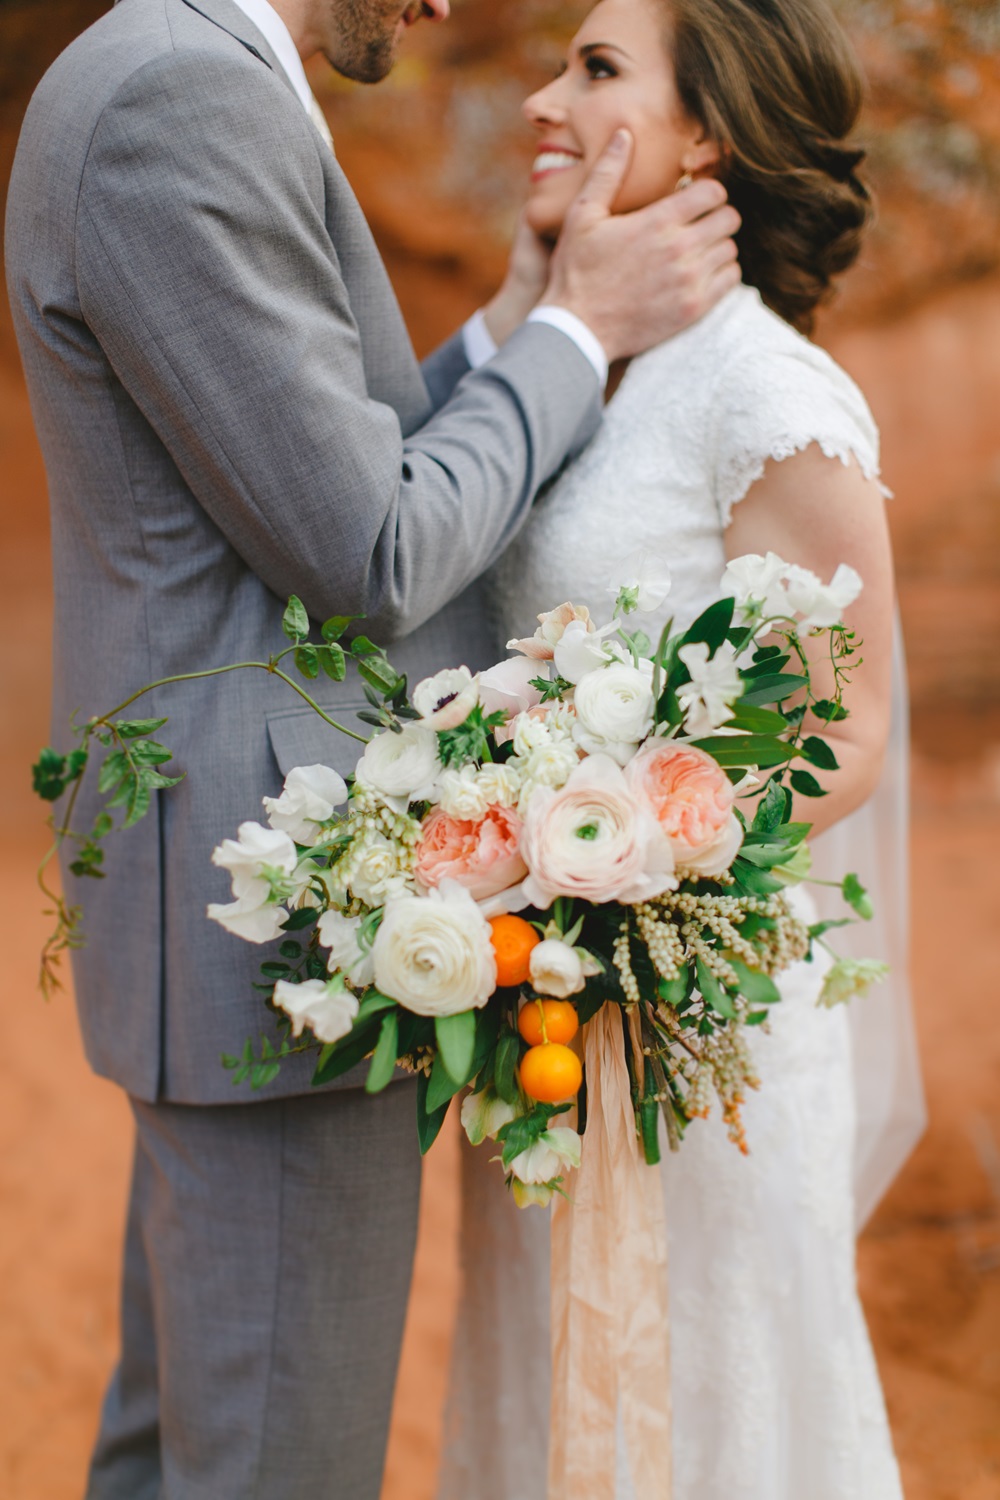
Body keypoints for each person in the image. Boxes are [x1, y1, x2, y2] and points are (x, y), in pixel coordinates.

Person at [4, 0, 743, 1493]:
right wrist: (580, 333)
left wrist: (526, 308)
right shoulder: (176, 102)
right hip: (281, 921)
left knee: (181, 1457)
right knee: (274, 1465)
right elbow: (369, 546)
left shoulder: (182, 72)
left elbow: (310, 447)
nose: (447, 10)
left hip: (243, 887)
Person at [437, 1, 925, 1496]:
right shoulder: (590, 366)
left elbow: (844, 734)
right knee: (545, 1384)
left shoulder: (767, 396)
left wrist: (617, 863)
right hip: (548, 1015)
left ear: (707, 129)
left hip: (698, 1031)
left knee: (713, 1401)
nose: (540, 100)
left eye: (594, 72)